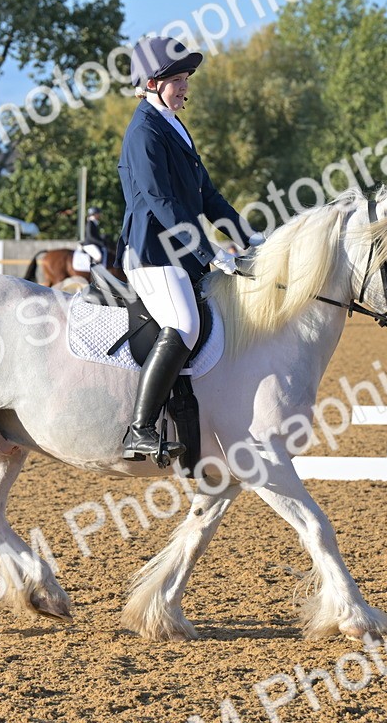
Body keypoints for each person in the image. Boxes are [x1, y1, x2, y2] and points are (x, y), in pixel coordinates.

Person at [116, 36, 255, 463]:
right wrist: (209, 251)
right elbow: (163, 202)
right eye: (175, 79)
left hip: (180, 252)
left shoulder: (173, 124)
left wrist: (250, 238)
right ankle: (139, 430)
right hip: (153, 253)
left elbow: (207, 196)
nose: (183, 87)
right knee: (185, 324)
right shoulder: (144, 132)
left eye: (185, 78)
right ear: (151, 83)